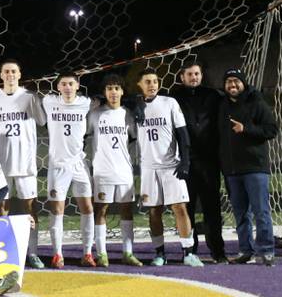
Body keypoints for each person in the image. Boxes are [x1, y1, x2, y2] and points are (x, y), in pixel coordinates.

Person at [134, 68, 203, 267]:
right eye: (147, 81)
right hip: (148, 168)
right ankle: (160, 254)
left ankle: (188, 252)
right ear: (140, 85)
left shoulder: (169, 103)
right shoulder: (135, 106)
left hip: (171, 165)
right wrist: (134, 103)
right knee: (154, 211)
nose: (152, 85)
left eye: (155, 81)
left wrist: (185, 161)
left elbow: (182, 134)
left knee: (180, 208)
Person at [0, 59, 43, 268]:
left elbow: (42, 121)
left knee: (30, 206)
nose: (10, 75)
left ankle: (32, 252)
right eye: (6, 71)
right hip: (1, 162)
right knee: (2, 207)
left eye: (13, 71)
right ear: (1, 75)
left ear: (19, 74)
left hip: (25, 161)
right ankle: (3, 251)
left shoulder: (29, 97)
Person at [218, 68, 278, 266]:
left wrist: (246, 129)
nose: (233, 85)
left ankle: (267, 251)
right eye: (229, 82)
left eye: (236, 81)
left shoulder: (257, 102)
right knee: (240, 214)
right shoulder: (222, 106)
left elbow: (271, 130)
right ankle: (245, 250)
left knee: (261, 212)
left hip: (255, 168)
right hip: (232, 170)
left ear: (243, 83)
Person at [171, 62, 228, 264]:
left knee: (212, 208)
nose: (193, 77)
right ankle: (190, 251)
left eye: (197, 73)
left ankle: (218, 252)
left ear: (201, 76)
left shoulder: (214, 96)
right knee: (187, 208)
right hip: (185, 163)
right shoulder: (173, 98)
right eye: (189, 74)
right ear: (182, 76)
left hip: (210, 162)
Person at [38, 72, 96, 269]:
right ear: (58, 87)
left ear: (78, 86)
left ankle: (87, 252)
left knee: (87, 207)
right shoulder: (49, 101)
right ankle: (57, 254)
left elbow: (100, 100)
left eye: (71, 84)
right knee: (57, 209)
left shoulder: (86, 103)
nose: (68, 87)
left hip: (79, 164)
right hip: (58, 166)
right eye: (64, 84)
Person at [86, 74, 142, 267]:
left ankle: (128, 252)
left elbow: (134, 139)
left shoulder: (128, 115)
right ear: (105, 92)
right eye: (109, 88)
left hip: (124, 171)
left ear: (122, 91)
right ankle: (102, 253)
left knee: (127, 210)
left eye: (116, 88)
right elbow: (84, 136)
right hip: (102, 171)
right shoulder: (95, 115)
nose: (113, 92)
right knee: (101, 209)